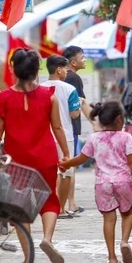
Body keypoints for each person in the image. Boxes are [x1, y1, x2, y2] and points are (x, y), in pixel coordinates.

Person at [0, 49, 70, 263]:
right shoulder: (49, 95)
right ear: (36, 71)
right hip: (45, 157)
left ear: (14, 69)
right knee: (50, 200)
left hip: (17, 160)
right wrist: (66, 153)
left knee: (20, 207)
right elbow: (57, 127)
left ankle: (28, 259)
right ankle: (47, 239)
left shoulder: (4, 98)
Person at [61, 101, 132, 263]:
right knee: (127, 214)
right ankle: (125, 242)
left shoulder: (94, 138)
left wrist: (67, 163)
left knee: (108, 219)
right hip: (123, 182)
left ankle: (112, 258)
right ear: (119, 120)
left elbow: (82, 159)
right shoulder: (126, 137)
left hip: (103, 184)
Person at [41, 55, 82, 219]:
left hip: (46, 136)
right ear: (58, 69)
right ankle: (61, 208)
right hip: (65, 135)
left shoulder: (40, 88)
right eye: (65, 68)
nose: (66, 71)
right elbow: (74, 114)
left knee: (51, 172)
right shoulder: (70, 89)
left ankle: (50, 206)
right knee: (66, 172)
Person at [62, 45, 90, 214]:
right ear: (73, 62)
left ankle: (71, 203)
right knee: (70, 164)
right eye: (82, 57)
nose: (84, 59)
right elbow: (82, 103)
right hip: (70, 126)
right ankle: (69, 204)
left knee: (67, 164)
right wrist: (96, 123)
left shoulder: (65, 77)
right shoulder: (74, 78)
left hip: (63, 126)